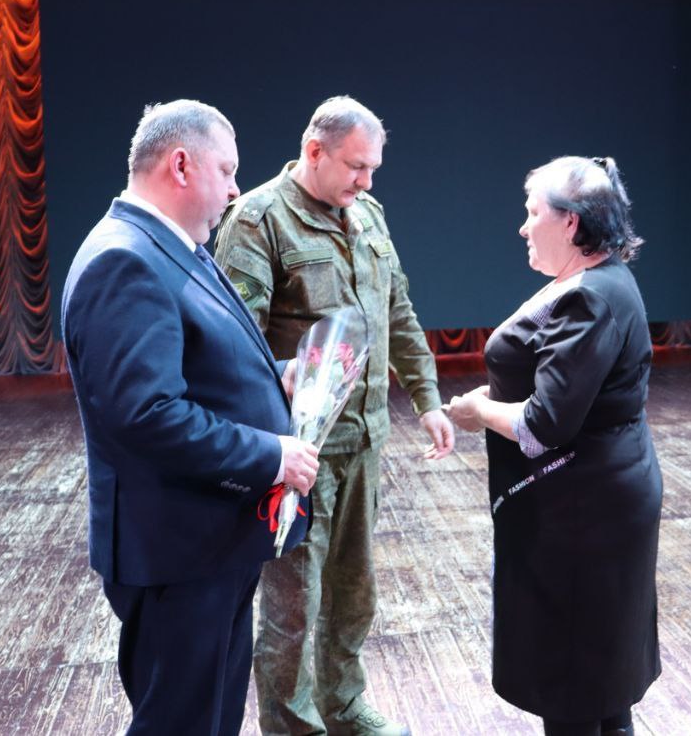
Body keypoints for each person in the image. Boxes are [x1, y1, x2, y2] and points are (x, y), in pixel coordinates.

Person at [61, 99, 321, 735]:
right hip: (177, 552)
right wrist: (272, 455)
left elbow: (203, 362)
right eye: (227, 170)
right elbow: (147, 414)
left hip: (208, 543)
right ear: (180, 166)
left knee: (211, 718)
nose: (235, 189)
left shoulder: (170, 247)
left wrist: (278, 377)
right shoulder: (125, 259)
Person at [214, 95, 455, 736]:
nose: (366, 181)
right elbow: (233, 344)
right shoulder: (258, 219)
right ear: (314, 151)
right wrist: (278, 390)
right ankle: (293, 728)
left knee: (353, 592)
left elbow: (397, 310)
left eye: (373, 168)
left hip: (364, 442)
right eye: (356, 166)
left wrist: (427, 397)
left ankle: (343, 706)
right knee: (294, 605)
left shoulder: (367, 214)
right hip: (301, 455)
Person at [445, 156, 662, 736]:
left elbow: (544, 427)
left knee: (574, 680)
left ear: (570, 223)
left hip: (580, 513)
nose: (523, 227)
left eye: (532, 213)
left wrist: (477, 412)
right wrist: (498, 397)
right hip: (597, 499)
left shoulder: (590, 297)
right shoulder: (598, 280)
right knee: (599, 679)